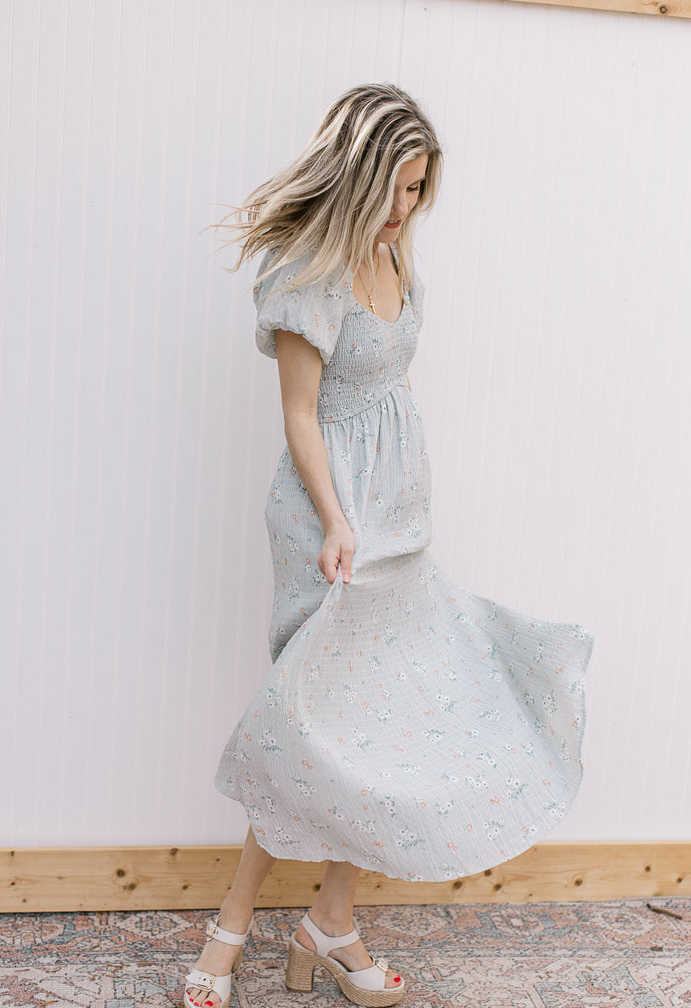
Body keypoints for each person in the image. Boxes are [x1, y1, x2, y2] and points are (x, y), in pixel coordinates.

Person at [184, 83, 594, 1008]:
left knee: (391, 732)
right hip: (332, 523)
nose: (406, 209)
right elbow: (301, 418)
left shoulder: (398, 255)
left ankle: (332, 925)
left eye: (419, 191)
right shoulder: (306, 273)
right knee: (308, 729)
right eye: (396, 188)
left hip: (402, 522)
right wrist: (337, 522)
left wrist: (395, 506)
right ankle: (227, 937)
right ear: (359, 174)